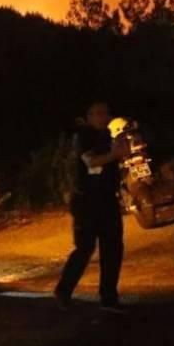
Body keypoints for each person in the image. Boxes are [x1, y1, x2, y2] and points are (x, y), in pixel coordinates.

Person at [53, 100, 129, 313]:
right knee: (85, 248)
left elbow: (115, 164)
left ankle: (109, 297)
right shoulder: (84, 136)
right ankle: (63, 291)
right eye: (97, 113)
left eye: (105, 113)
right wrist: (115, 154)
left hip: (107, 199)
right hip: (87, 201)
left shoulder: (109, 136)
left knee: (112, 248)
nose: (102, 117)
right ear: (88, 117)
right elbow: (91, 162)